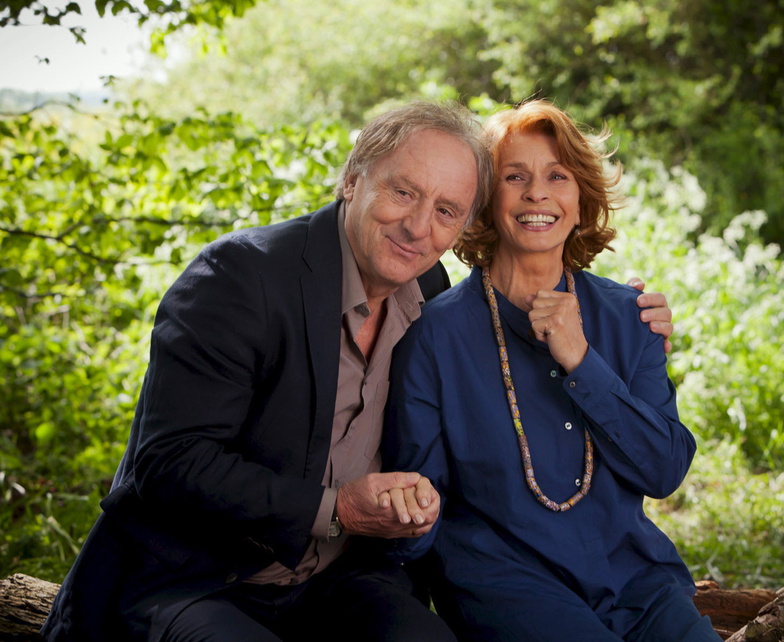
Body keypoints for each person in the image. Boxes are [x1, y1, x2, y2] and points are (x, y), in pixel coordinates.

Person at [41, 101, 675, 642]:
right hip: (196, 579)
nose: (418, 226)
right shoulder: (240, 278)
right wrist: (337, 507)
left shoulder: (428, 290)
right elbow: (167, 463)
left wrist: (627, 324)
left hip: (337, 581)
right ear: (352, 179)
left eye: (446, 209)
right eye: (403, 192)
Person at [382, 100, 718, 641]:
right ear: (485, 201)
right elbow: (420, 507)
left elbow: (664, 472)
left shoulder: (629, 317)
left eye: (557, 176)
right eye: (515, 176)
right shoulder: (434, 336)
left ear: (581, 202)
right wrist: (404, 518)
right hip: (506, 584)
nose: (537, 193)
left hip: (635, 582)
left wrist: (582, 360)